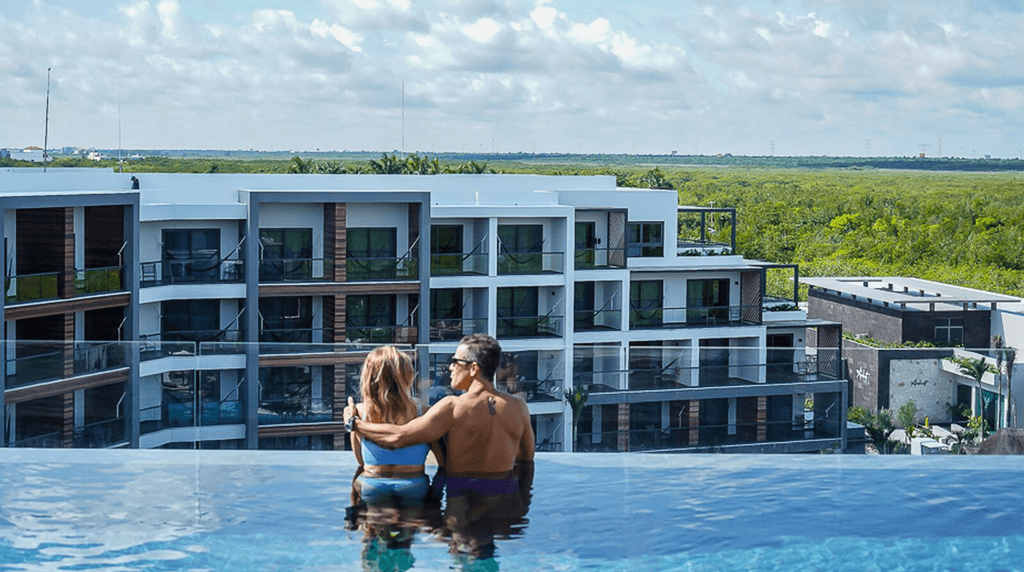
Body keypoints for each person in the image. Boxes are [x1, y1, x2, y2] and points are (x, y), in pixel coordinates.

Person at [345, 334, 534, 480]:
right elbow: (527, 463)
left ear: (473, 369)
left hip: (463, 506)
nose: (450, 367)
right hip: (506, 503)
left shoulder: (452, 407)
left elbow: (399, 437)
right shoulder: (519, 407)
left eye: (455, 362)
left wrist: (355, 424)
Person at [349, 346, 441, 502]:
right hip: (413, 484)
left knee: (374, 518)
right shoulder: (425, 412)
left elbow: (361, 461)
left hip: (373, 483)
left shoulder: (357, 413)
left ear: (368, 377)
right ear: (407, 376)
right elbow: (442, 462)